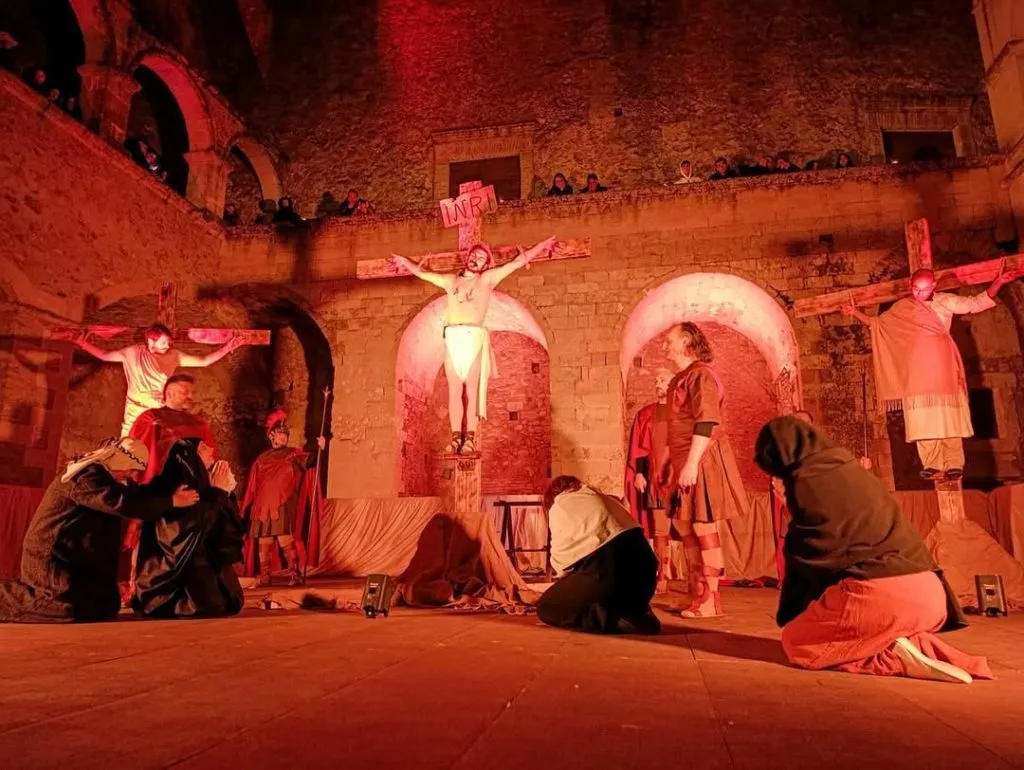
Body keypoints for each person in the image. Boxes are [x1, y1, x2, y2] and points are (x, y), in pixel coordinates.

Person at [754, 416, 993, 684]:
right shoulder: (850, 469)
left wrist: (794, 618)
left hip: (885, 597)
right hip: (932, 597)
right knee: (866, 625)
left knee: (798, 642)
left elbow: (807, 563)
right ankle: (921, 650)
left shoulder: (807, 482)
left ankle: (891, 658)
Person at [843, 263, 1021, 480]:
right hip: (916, 371)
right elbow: (878, 324)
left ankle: (954, 463)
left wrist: (998, 282)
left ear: (934, 285)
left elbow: (976, 303)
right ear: (910, 285)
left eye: (925, 288)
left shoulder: (945, 301)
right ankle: (932, 464)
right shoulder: (902, 308)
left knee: (948, 415)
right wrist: (855, 312)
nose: (920, 293)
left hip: (942, 367)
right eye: (916, 288)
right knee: (922, 417)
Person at [0, 437, 198, 623]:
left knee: (106, 604)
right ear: (120, 460)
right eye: (131, 470)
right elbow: (121, 503)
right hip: (52, 560)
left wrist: (169, 493)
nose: (131, 475)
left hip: (77, 563)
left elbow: (137, 494)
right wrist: (171, 501)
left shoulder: (108, 477)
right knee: (66, 608)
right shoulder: (85, 477)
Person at [390, 235, 557, 453]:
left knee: (471, 392)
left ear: (486, 264)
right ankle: (455, 438)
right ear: (467, 258)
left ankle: (469, 438)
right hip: (453, 337)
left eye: (481, 258)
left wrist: (541, 246)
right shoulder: (451, 281)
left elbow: (516, 263)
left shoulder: (487, 280)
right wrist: (404, 261)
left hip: (473, 337)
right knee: (454, 391)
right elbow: (423, 274)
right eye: (474, 255)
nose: (475, 259)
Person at [660, 322, 749, 618]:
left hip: (702, 458)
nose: (664, 346)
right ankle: (697, 594)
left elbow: (706, 421)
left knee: (703, 526)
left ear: (686, 341)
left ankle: (710, 599)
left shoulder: (701, 375)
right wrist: (669, 464)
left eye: (669, 340)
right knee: (685, 526)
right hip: (684, 459)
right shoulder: (683, 378)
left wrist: (691, 464)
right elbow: (678, 427)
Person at [134, 439, 246, 618]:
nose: (211, 449)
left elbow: (223, 534)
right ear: (192, 457)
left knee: (223, 600)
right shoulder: (174, 489)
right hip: (172, 579)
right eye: (203, 447)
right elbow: (185, 537)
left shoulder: (204, 487)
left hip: (201, 565)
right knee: (209, 603)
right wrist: (217, 494)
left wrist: (227, 496)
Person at [536, 476, 660, 634]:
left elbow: (561, 560)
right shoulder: (602, 498)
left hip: (607, 569)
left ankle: (611, 621)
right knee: (603, 591)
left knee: (547, 607)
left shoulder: (560, 505)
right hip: (646, 575)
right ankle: (636, 612)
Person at [72, 323, 242, 437]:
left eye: (169, 342)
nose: (167, 346)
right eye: (163, 342)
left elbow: (203, 361)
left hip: (156, 410)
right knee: (126, 450)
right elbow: (104, 355)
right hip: (134, 411)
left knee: (155, 451)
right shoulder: (132, 353)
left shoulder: (173, 356)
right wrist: (81, 342)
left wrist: (228, 347)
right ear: (151, 341)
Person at [240, 409, 326, 586]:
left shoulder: (293, 454)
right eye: (280, 434)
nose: (284, 437)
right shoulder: (262, 458)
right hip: (261, 504)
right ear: (271, 436)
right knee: (264, 540)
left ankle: (294, 573)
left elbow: (310, 462)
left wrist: (320, 449)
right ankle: (265, 575)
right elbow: (252, 484)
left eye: (286, 434)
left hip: (281, 504)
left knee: (284, 538)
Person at [624, 370, 674, 592]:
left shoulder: (684, 412)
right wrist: (639, 473)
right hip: (657, 480)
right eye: (656, 380)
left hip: (681, 480)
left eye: (662, 380)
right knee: (660, 531)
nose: (657, 383)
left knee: (691, 531)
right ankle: (661, 576)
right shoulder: (646, 414)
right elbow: (640, 448)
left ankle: (699, 582)